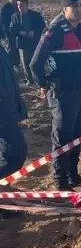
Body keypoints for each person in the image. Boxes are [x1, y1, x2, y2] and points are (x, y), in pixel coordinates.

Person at [30, 0, 81, 191]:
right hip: (63, 93)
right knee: (62, 138)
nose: (79, 9)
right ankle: (61, 181)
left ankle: (73, 175)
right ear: (65, 8)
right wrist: (43, 85)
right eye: (75, 5)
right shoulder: (55, 31)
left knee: (77, 135)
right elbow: (35, 63)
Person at [0, 45, 28, 180]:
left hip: (7, 110)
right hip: (3, 113)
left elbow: (8, 81)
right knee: (16, 153)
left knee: (14, 154)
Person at [9, 0, 46, 85]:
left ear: (27, 5)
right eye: (18, 5)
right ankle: (30, 80)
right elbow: (11, 29)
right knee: (25, 63)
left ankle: (39, 80)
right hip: (23, 44)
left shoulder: (36, 15)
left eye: (21, 5)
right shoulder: (14, 16)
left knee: (35, 63)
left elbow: (42, 26)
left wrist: (34, 32)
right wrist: (19, 32)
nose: (19, 7)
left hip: (35, 43)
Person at [1, 0, 19, 69]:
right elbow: (3, 22)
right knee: (11, 48)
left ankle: (16, 64)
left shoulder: (17, 6)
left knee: (16, 48)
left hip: (16, 31)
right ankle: (9, 65)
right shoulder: (5, 8)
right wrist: (7, 34)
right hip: (7, 31)